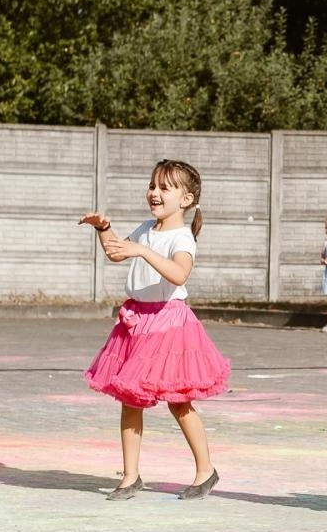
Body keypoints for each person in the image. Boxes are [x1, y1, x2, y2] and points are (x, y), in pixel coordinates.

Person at [79, 160, 230, 502]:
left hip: (169, 323)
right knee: (130, 399)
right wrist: (104, 228)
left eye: (165, 188)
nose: (155, 193)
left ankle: (205, 469)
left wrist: (142, 250)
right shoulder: (147, 227)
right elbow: (116, 252)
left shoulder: (183, 237)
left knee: (179, 401)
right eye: (152, 186)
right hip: (136, 320)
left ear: (186, 199)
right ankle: (130, 476)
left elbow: (179, 274)